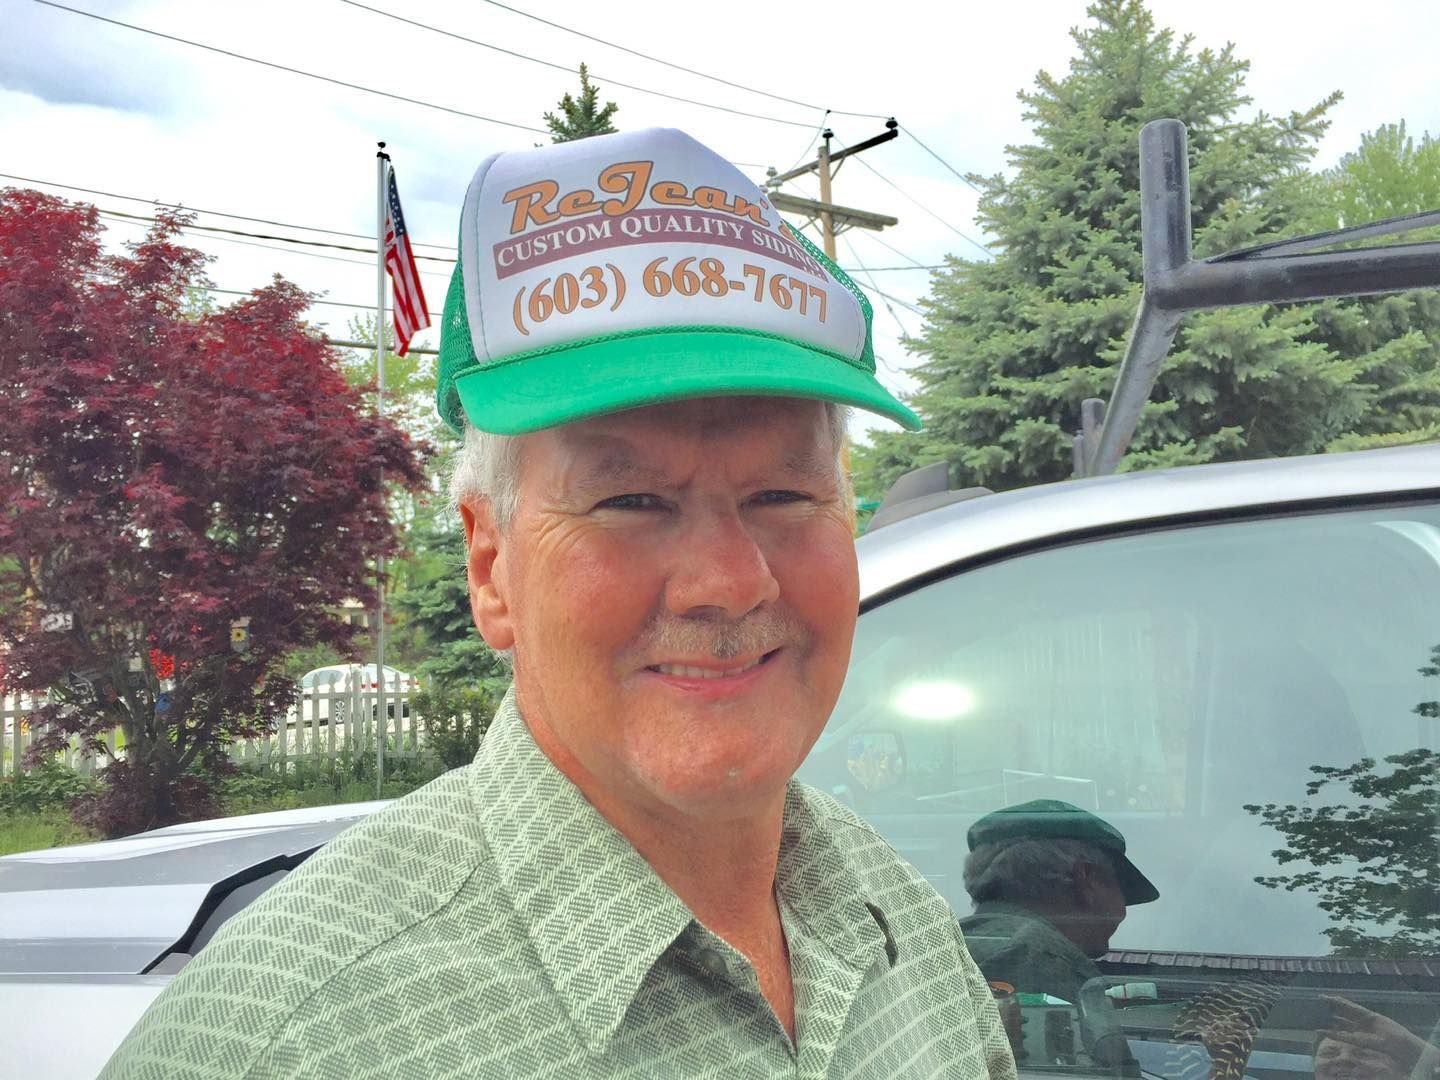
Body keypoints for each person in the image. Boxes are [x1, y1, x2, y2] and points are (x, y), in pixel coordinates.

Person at [100, 128, 1016, 1079]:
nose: (731, 582)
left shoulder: (901, 922)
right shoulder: (286, 1041)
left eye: (784, 496)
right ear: (491, 567)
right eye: (629, 502)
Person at [959, 799, 1159, 1072]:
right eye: (1121, 887)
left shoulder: (940, 945)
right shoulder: (1047, 962)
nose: (1123, 909)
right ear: (1085, 878)